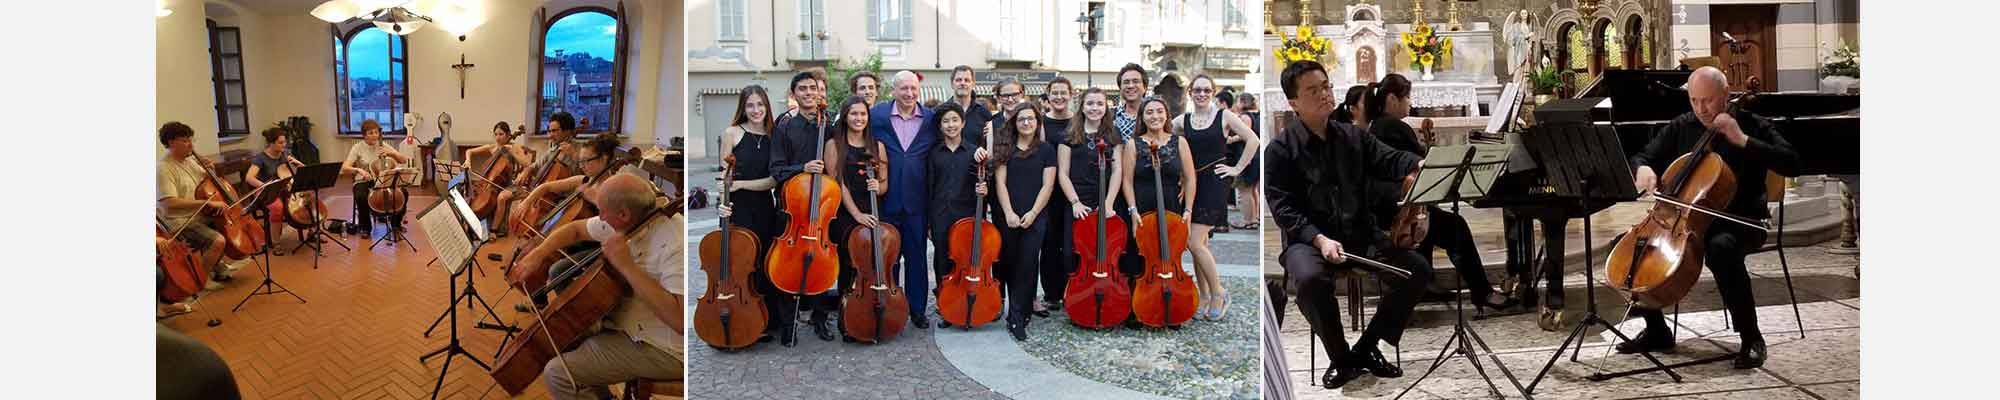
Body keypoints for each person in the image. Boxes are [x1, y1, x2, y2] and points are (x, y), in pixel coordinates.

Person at [1616, 66, 1800, 369]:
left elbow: (1792, 163)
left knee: (1721, 248)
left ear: (1726, 95)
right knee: (1633, 249)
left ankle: (1751, 338)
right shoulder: (1682, 125)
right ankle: (1658, 331)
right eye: (1694, 100)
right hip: (1684, 222)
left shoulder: (1751, 124)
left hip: (1742, 221)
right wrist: (1643, 169)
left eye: (1709, 100)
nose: (1701, 109)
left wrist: (1742, 140)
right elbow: (1643, 156)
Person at [1265, 60, 1430, 389]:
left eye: (1325, 86)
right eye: (1313, 90)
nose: (1325, 94)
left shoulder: (1352, 136)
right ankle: (1340, 358)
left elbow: (1390, 158)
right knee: (1310, 280)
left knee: (1418, 271)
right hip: (1307, 241)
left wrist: (1421, 162)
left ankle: (1365, 350)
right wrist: (1319, 240)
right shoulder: (1280, 149)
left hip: (1359, 235)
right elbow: (1284, 210)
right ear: (1293, 102)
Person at [510, 174, 684, 400]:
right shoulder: (633, 218)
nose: (599, 218)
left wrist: (626, 266)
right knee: (562, 341)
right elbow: (574, 230)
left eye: (602, 211)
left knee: (558, 374)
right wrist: (538, 255)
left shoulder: (674, 242)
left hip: (661, 346)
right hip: (625, 322)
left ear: (623, 214)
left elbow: (679, 320)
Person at [1365, 74, 1516, 311]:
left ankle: (1425, 284)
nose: (1410, 103)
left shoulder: (1376, 124)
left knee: (1435, 219)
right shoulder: (1393, 126)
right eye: (1407, 97)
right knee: (1456, 226)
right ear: (1392, 98)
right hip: (1396, 211)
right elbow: (1419, 166)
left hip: (1388, 206)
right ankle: (1482, 292)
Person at [1173, 74, 1261, 321]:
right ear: (1190, 93)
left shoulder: (1224, 116)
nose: (1202, 94)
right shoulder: (1183, 120)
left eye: (1207, 90)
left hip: (1214, 181)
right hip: (1192, 182)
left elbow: (1253, 140)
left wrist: (1236, 169)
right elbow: (1166, 135)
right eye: (1197, 90)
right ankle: (1204, 295)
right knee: (1200, 245)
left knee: (1194, 242)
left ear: (1212, 93)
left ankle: (1219, 292)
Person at [767, 71, 838, 344]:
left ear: (819, 93)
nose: (809, 93)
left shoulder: (829, 125)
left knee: (820, 261)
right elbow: (776, 169)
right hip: (791, 209)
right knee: (786, 263)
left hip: (821, 208)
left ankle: (820, 318)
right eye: (803, 89)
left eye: (813, 88)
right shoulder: (784, 126)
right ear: (794, 94)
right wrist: (803, 168)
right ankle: (788, 323)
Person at [715, 85, 784, 344]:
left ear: (767, 106)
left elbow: (773, 181)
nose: (756, 110)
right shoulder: (731, 133)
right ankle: (741, 316)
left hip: (764, 206)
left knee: (765, 262)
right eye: (750, 105)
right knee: (741, 265)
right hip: (737, 208)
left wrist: (742, 184)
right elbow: (724, 177)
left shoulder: (774, 134)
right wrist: (721, 201)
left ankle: (767, 319)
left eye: (760, 105)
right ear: (743, 108)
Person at [868, 70, 937, 328]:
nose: (909, 94)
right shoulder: (876, 116)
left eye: (913, 89)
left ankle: (917, 310)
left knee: (917, 259)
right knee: (889, 259)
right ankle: (889, 306)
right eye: (903, 89)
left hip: (918, 202)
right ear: (893, 91)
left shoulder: (931, 119)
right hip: (887, 200)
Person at [826, 95, 890, 342]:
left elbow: (884, 185)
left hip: (873, 210)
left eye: (863, 114)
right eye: (853, 114)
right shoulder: (834, 145)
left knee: (874, 266)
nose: (858, 118)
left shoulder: (878, 146)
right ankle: (848, 320)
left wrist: (878, 185)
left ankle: (874, 315)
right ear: (845, 116)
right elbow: (837, 183)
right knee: (849, 268)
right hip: (846, 214)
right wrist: (856, 215)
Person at [1056, 88, 1127, 306]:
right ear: (1082, 106)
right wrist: (1075, 202)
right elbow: (1063, 174)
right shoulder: (1069, 136)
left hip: (1105, 199)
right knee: (1072, 252)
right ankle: (1078, 296)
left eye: (1099, 104)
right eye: (1090, 104)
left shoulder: (1113, 135)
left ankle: (1106, 295)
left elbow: (1117, 171)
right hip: (1077, 199)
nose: (1094, 108)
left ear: (1106, 108)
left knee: (1104, 252)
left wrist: (1108, 203)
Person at [992, 101, 1056, 341]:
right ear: (1015, 123)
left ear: (1037, 123)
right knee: (1008, 263)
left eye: (1030, 119)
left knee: (1028, 265)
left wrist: (1033, 213)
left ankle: (1018, 317)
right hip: (1007, 215)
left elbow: (1048, 185)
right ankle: (1017, 309)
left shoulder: (1046, 150)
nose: (1026, 123)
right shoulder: (1005, 148)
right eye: (1021, 119)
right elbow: (1000, 183)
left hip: (1035, 216)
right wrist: (1009, 212)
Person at [925, 103, 989, 329]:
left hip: (967, 215)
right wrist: (929, 223)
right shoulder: (933, 153)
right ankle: (946, 305)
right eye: (946, 121)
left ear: (962, 123)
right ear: (940, 126)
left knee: (966, 261)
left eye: (954, 120)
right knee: (943, 260)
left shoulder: (975, 152)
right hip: (941, 214)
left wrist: (984, 189)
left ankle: (967, 301)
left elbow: (983, 184)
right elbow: (929, 188)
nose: (951, 125)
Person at [155, 122, 234, 306]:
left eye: (191, 139)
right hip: (177, 220)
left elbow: (207, 185)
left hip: (197, 214)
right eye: (185, 140)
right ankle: (201, 281)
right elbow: (169, 204)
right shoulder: (164, 168)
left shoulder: (190, 160)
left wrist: (210, 170)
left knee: (225, 223)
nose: (191, 144)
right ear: (171, 142)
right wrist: (207, 203)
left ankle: (216, 265)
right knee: (218, 241)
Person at [1034, 77, 1076, 317]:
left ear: (1071, 94)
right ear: (1047, 96)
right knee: (1048, 244)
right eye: (1054, 93)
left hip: (1072, 190)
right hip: (1048, 191)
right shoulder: (1041, 123)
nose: (1059, 97)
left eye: (1063, 92)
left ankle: (1072, 289)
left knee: (1071, 244)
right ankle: (1051, 294)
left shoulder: (1077, 122)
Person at [340, 119, 411, 235]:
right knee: (361, 195)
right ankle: (365, 228)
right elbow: (345, 167)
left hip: (382, 180)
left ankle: (396, 224)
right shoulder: (357, 148)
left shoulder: (383, 145)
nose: (374, 136)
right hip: (364, 180)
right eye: (370, 133)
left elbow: (403, 160)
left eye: (376, 132)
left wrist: (391, 153)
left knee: (403, 193)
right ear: (364, 135)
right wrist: (358, 170)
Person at [246, 127, 306, 239]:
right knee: (277, 208)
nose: (284, 145)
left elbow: (304, 172)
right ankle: (276, 242)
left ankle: (312, 232)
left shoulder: (284, 155)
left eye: (285, 142)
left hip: (284, 188)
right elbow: (249, 178)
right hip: (267, 191)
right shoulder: (261, 158)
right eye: (280, 142)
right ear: (271, 143)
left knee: (306, 200)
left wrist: (298, 163)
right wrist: (264, 185)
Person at [1229, 94, 1264, 232]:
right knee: (1253, 190)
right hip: (1258, 156)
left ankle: (1248, 220)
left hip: (1248, 156)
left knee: (1245, 190)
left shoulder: (1245, 117)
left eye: (1238, 101)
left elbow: (1246, 134)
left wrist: (1232, 139)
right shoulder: (1259, 115)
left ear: (1243, 102)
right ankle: (1254, 218)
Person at [1112, 63, 1150, 140]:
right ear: (1120, 88)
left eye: (1135, 81)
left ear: (1145, 87)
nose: (1130, 86)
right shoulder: (1110, 116)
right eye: (1126, 82)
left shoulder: (1156, 115)